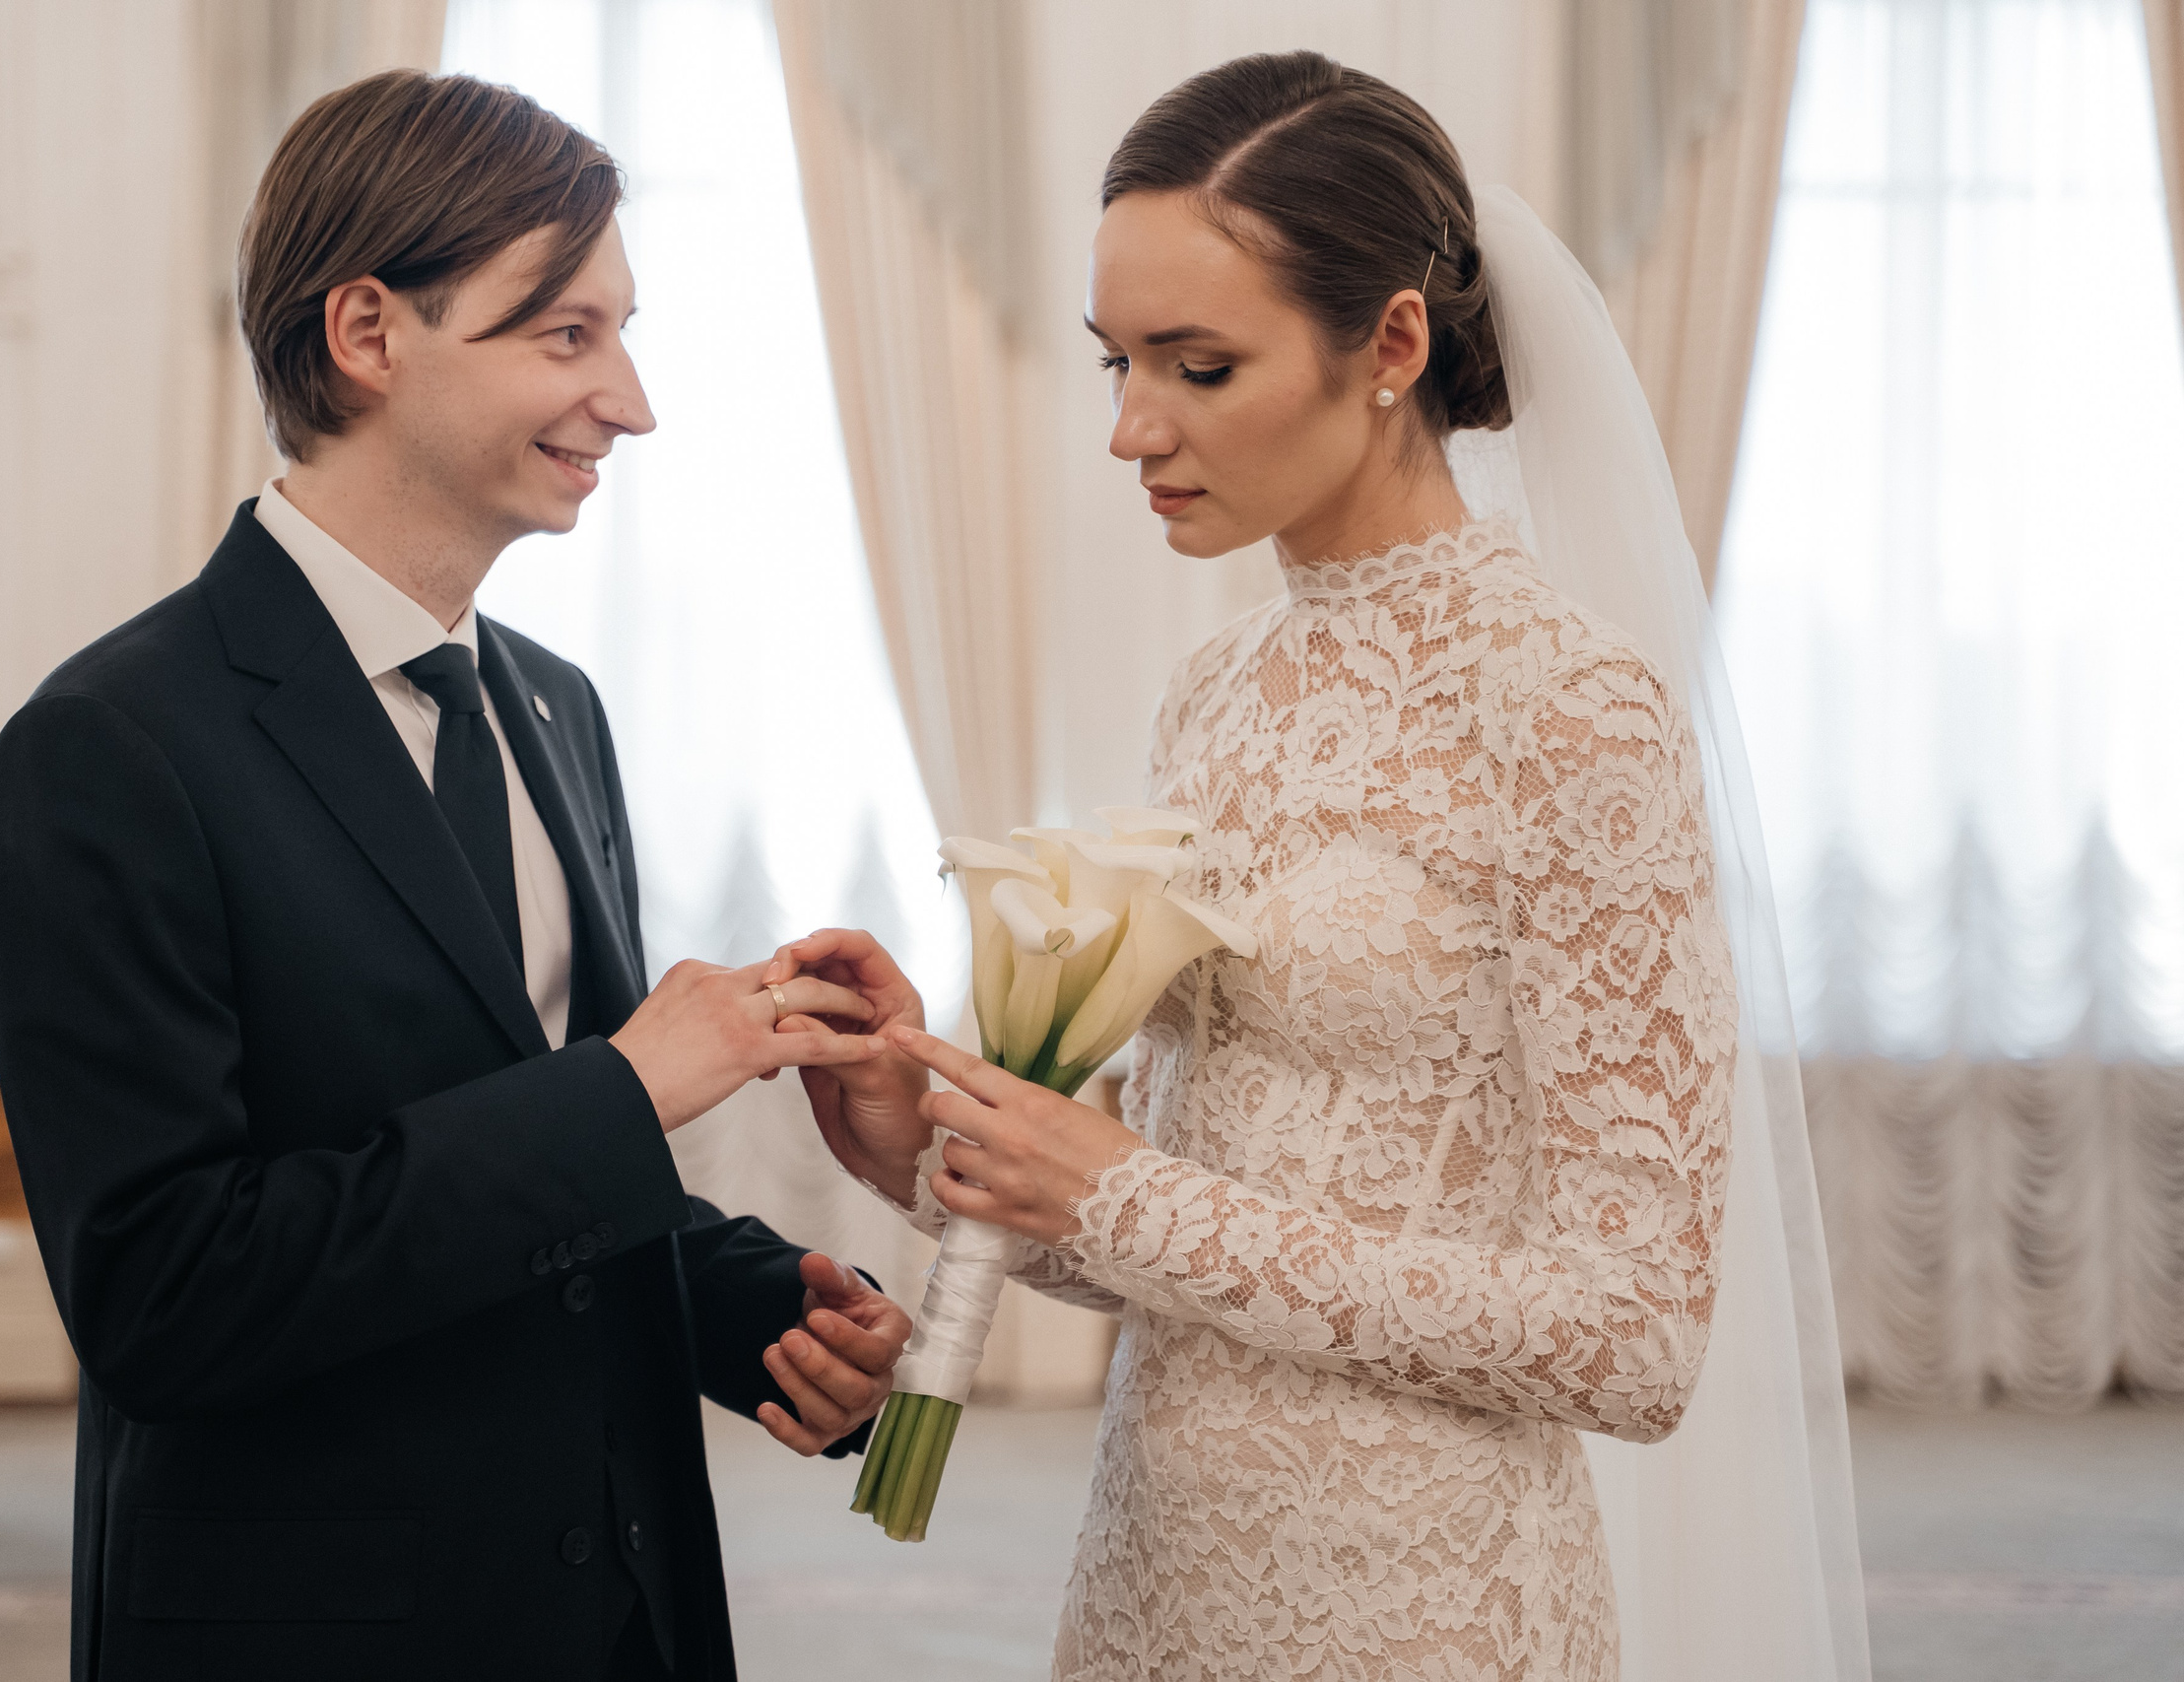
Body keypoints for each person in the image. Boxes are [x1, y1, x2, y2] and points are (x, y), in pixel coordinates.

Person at [772, 51, 1870, 1682]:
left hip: (1427, 1607)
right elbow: (1169, 1219)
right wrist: (926, 1149)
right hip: (1158, 1575)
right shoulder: (1213, 697)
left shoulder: (1571, 712)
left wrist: (1127, 1193)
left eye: (1200, 364)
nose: (1134, 426)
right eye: (1118, 361)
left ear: (1395, 346)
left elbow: (1633, 1342)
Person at [0, 70, 913, 1682]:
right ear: (366, 332)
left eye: (620, 333)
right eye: (566, 336)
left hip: (621, 1617)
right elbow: (167, 1303)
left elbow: (552, 1191)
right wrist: (623, 1092)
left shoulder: (558, 708)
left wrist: (759, 1314)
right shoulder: (109, 748)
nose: (630, 400)